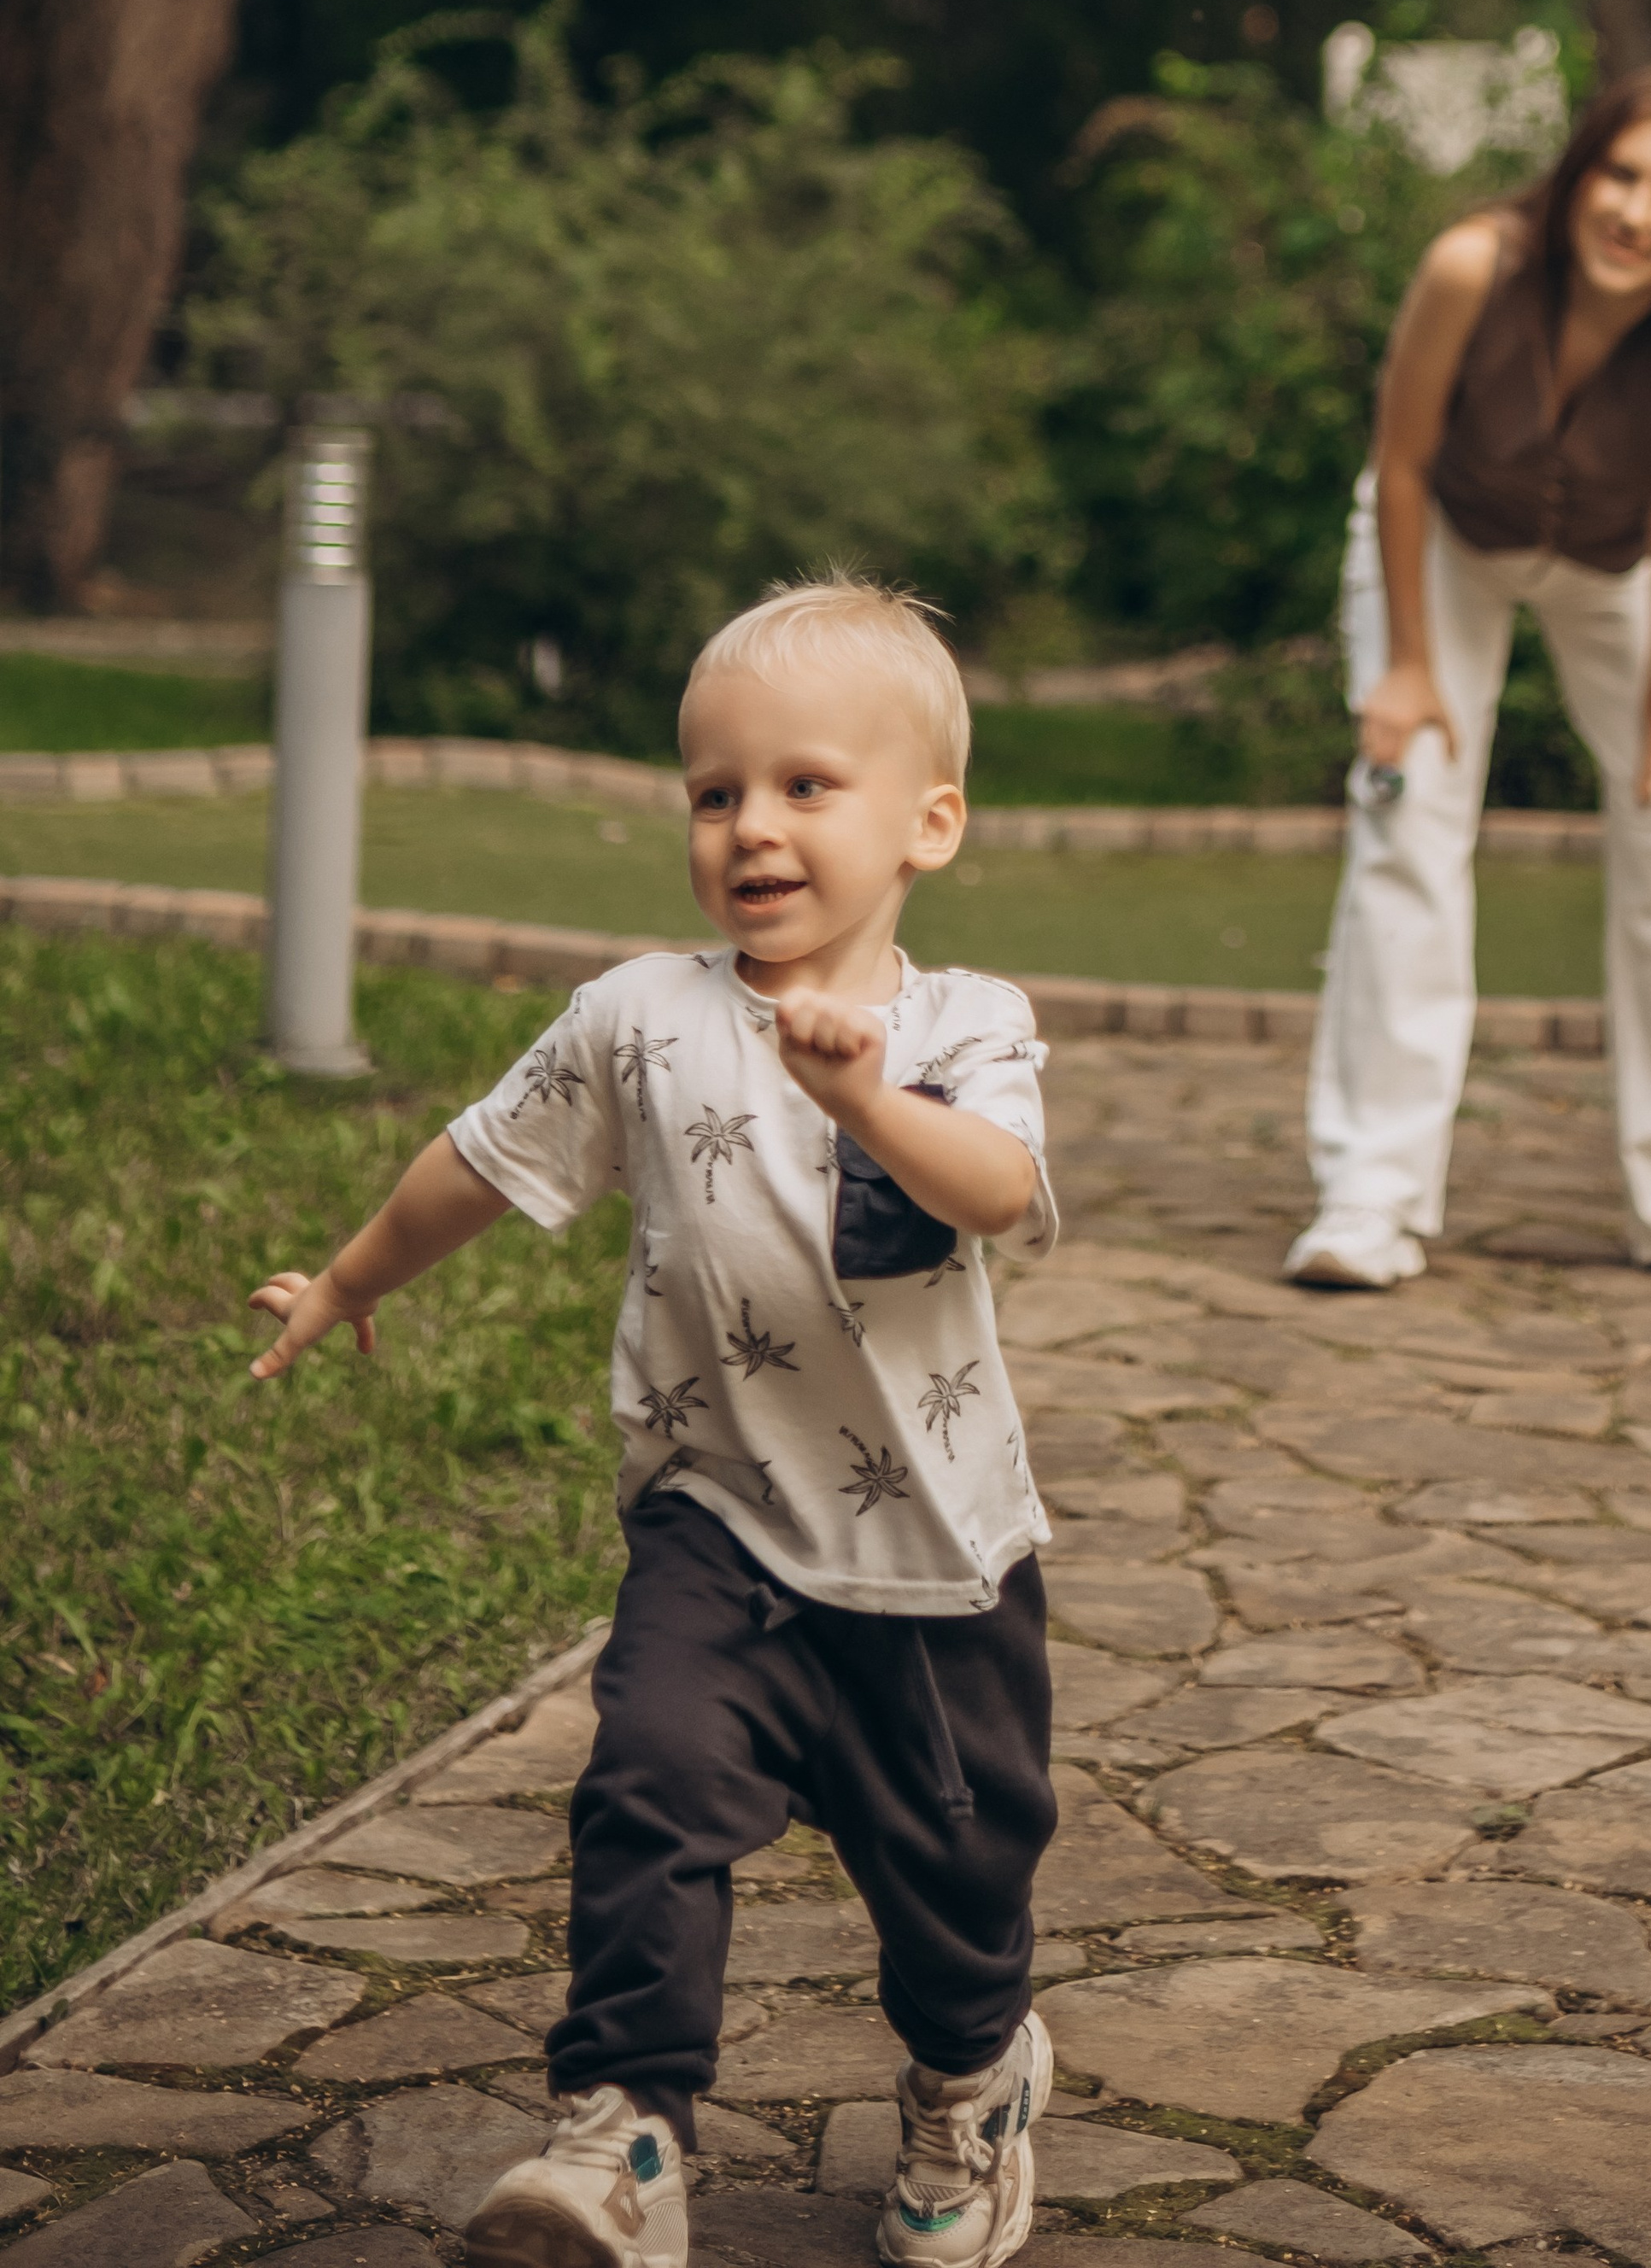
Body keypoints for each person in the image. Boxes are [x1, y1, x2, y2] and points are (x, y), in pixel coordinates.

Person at [248, 581, 1061, 2268]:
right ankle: (620, 2134)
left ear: (930, 822)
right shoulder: (639, 1017)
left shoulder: (963, 1024)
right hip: (717, 1525)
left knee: (957, 1888)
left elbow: (994, 1190)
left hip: (930, 1562)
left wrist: (861, 1097)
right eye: (713, 791)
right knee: (648, 1791)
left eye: (801, 785)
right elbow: (479, 1159)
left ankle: (972, 2078)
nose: (750, 825)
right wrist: (347, 1276)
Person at [1287, 62, 1651, 1301]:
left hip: (1621, 564)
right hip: (1446, 540)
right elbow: (1404, 467)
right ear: (1579, 177)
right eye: (1620, 176)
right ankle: (1371, 1193)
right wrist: (1411, 672)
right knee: (1408, 802)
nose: (1636, 213)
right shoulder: (1473, 268)